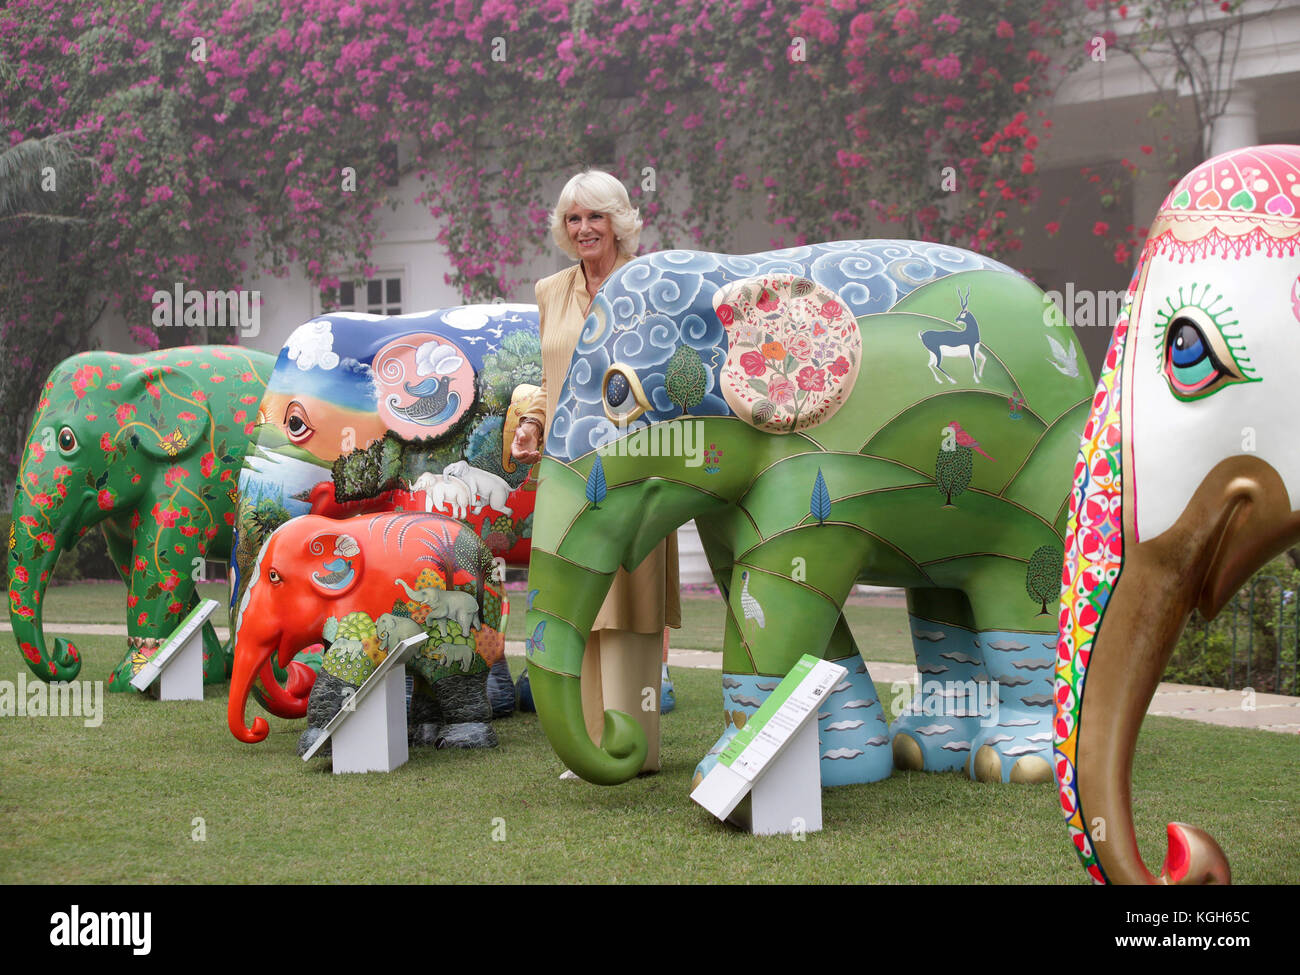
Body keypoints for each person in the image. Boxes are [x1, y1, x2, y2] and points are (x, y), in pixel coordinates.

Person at [511, 169, 680, 774]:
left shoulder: (650, 281)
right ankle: (585, 745)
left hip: (635, 469)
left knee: (630, 605)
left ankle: (637, 745)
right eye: (574, 219)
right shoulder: (549, 291)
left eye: (596, 217)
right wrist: (531, 421)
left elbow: (667, 372)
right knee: (572, 600)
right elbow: (547, 375)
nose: (584, 229)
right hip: (566, 473)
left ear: (619, 222)